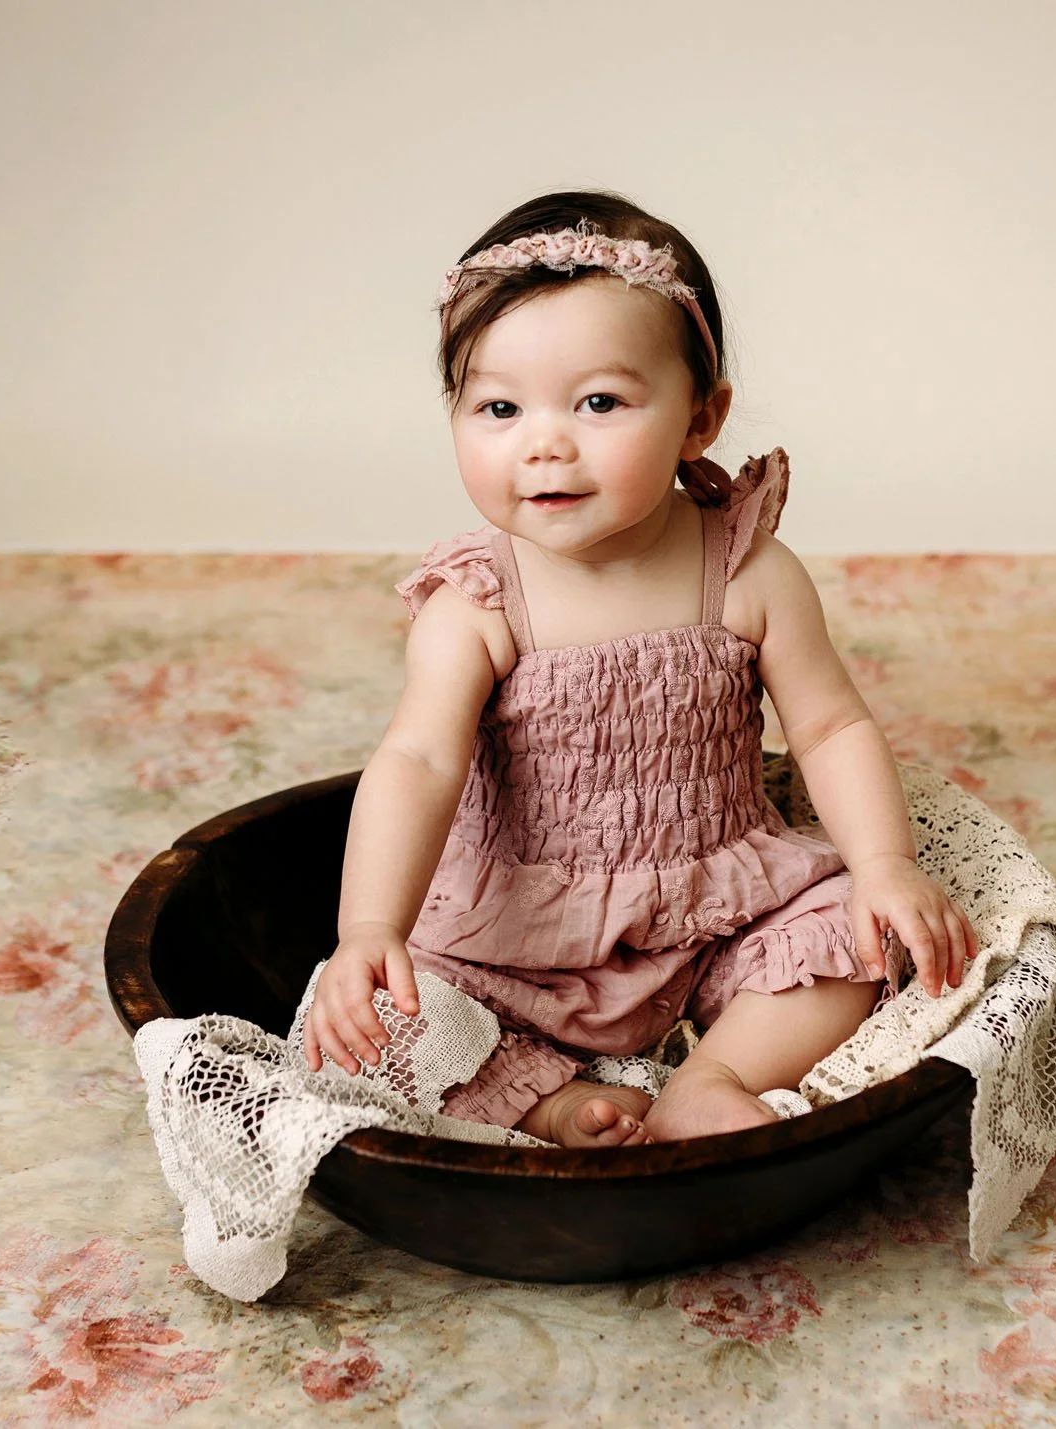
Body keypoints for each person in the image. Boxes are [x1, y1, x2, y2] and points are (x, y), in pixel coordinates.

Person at [302, 190, 978, 1147]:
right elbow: (417, 762)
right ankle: (548, 1098)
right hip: (519, 934)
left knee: (865, 942)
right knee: (384, 1027)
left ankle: (716, 1075)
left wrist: (883, 865)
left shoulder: (745, 569)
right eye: (499, 406)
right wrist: (368, 929)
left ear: (701, 419)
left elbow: (831, 726)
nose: (544, 441)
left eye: (600, 402)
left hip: (718, 906)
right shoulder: (478, 603)